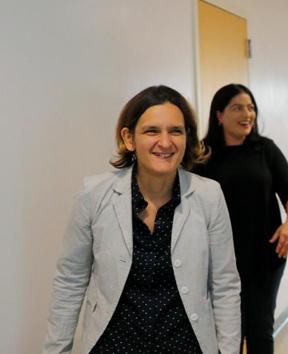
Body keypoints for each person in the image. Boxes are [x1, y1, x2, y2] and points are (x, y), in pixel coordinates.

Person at [43, 85, 241, 354]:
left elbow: (225, 286)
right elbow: (69, 281)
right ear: (129, 138)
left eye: (176, 131)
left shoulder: (209, 196)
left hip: (185, 346)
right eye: (152, 131)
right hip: (113, 347)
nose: (165, 142)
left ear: (187, 137)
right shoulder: (93, 195)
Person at [194, 84, 288, 354]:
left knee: (259, 329)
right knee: (227, 332)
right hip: (218, 260)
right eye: (237, 108)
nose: (247, 114)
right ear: (219, 115)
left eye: (251, 107)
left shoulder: (265, 149)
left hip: (265, 256)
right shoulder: (202, 156)